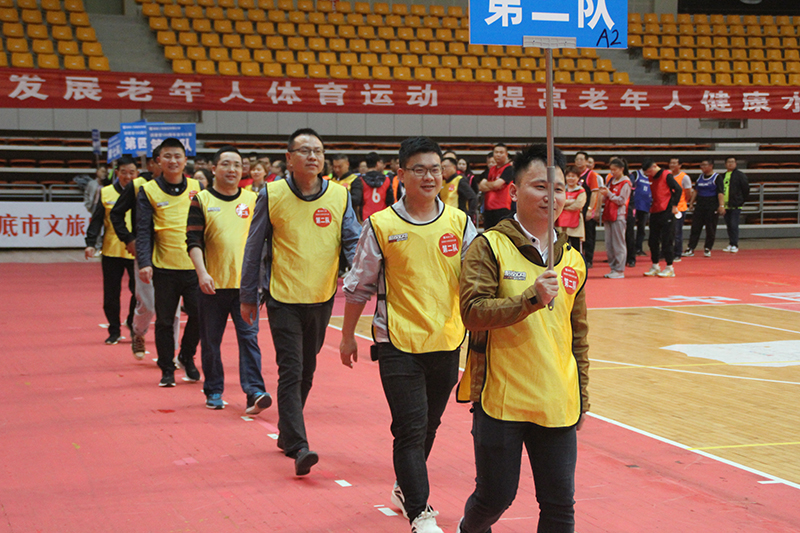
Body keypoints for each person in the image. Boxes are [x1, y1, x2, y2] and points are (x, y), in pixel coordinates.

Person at [340, 136, 477, 533]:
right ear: (401, 174)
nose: (429, 176)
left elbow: (477, 278)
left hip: (446, 340)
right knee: (410, 428)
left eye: (435, 169)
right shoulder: (382, 225)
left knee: (429, 425)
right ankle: (420, 512)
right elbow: (358, 286)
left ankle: (404, 488)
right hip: (397, 343)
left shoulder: (459, 222)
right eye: (419, 169)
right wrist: (347, 336)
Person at [456, 143, 589, 533]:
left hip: (557, 399)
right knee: (495, 497)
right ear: (514, 191)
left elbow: (578, 335)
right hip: (503, 400)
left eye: (558, 188)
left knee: (560, 506)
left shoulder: (572, 259)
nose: (551, 196)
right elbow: (472, 312)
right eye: (540, 186)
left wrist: (582, 394)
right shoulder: (489, 247)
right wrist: (530, 298)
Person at [240, 128, 361, 476]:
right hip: (283, 298)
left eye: (318, 151)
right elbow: (254, 246)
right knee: (291, 369)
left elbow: (352, 242)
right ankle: (298, 445)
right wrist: (248, 295)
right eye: (305, 150)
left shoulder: (339, 195)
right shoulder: (272, 193)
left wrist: (363, 276)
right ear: (289, 158)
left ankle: (287, 430)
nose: (313, 156)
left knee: (307, 370)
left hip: (322, 297)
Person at [186, 146, 272, 414]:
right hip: (212, 286)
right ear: (214, 169)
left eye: (237, 164)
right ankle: (213, 389)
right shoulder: (201, 200)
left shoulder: (254, 199)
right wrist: (202, 273)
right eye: (225, 164)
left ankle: (254, 392)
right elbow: (193, 241)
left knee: (249, 339)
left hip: (247, 288)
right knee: (211, 341)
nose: (232, 169)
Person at [136, 138, 202, 387]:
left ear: (185, 160)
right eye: (167, 156)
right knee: (165, 320)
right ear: (158, 161)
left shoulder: (198, 187)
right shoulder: (148, 190)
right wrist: (144, 262)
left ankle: (186, 355)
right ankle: (167, 367)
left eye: (177, 156)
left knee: (199, 316)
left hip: (195, 267)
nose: (173, 161)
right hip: (164, 268)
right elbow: (143, 230)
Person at [84, 155, 138, 345]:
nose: (128, 176)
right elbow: (97, 219)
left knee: (139, 292)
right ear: (117, 173)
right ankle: (114, 330)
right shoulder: (106, 193)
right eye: (124, 172)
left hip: (136, 251)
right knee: (111, 295)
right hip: (111, 251)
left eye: (132, 172)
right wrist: (91, 243)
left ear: (137, 173)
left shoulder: (143, 192)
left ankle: (132, 321)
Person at [641, 160, 682, 278]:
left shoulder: (666, 175)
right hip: (655, 210)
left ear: (655, 166)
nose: (649, 174)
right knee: (653, 240)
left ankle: (669, 267)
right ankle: (655, 265)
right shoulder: (651, 177)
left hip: (667, 211)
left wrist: (674, 206)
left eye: (650, 172)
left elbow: (678, 189)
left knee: (667, 240)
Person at [683, 160, 723, 258]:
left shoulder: (717, 177)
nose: (702, 167)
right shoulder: (700, 177)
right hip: (700, 205)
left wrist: (721, 205)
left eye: (704, 165)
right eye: (701, 165)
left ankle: (708, 248)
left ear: (711, 166)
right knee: (695, 227)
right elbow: (696, 190)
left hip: (712, 205)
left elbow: (720, 192)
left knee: (710, 228)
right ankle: (691, 248)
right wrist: (691, 203)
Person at [599, 159, 631, 279]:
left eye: (615, 170)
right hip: (608, 213)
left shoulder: (626, 183)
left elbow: (622, 200)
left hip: (618, 216)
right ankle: (613, 268)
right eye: (611, 170)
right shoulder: (611, 181)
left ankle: (619, 269)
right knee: (609, 244)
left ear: (621, 169)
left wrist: (609, 194)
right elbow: (607, 197)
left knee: (618, 243)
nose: (612, 172)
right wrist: (604, 194)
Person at [575, 151, 602, 268]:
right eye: (577, 159)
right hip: (577, 209)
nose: (579, 161)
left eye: (581, 159)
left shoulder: (591, 175)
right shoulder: (574, 174)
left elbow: (595, 193)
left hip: (587, 208)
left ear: (586, 161)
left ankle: (589, 259)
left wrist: (591, 209)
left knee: (589, 234)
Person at [478, 143, 514, 229]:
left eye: (501, 152)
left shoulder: (509, 169)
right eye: (496, 152)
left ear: (506, 154)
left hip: (502, 208)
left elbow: (496, 185)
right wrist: (493, 185)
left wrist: (489, 185)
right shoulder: (491, 169)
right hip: (488, 209)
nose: (498, 155)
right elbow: (481, 186)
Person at [350, 151, 394, 221]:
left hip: (365, 218)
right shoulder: (387, 180)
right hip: (383, 217)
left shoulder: (360, 180)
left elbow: (357, 201)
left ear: (366, 164)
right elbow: (390, 201)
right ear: (377, 164)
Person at [720, 157, 750, 253]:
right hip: (725, 205)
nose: (730, 164)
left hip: (735, 205)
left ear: (736, 163)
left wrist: (740, 200)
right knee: (729, 225)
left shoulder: (740, 175)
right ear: (725, 164)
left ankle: (734, 244)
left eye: (732, 162)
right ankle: (731, 243)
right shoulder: (722, 176)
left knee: (734, 224)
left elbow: (746, 189)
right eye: (728, 162)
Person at [556, 165, 586, 254]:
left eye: (573, 176)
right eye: (569, 176)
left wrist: (563, 206)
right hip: (561, 223)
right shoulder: (560, 189)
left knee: (576, 247)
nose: (571, 178)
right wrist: (570, 201)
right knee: (562, 247)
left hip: (575, 222)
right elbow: (556, 201)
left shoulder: (581, 190)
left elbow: (578, 205)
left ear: (578, 178)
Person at [440, 156, 478, 221]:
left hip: (457, 219)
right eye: (441, 168)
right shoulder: (442, 182)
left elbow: (473, 198)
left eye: (445, 167)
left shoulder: (459, 180)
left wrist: (468, 216)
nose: (443, 170)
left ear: (454, 167)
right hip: (444, 218)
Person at [669, 157, 692, 261]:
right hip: (669, 207)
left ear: (679, 165)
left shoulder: (684, 177)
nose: (672, 165)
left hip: (680, 208)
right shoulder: (668, 176)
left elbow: (688, 193)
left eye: (675, 163)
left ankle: (677, 253)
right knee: (668, 232)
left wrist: (683, 202)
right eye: (671, 163)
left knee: (677, 231)